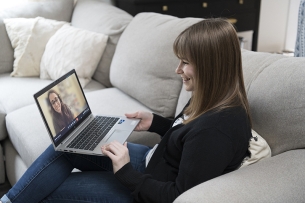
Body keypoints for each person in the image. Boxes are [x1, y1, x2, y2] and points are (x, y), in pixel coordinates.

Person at [0, 18, 252, 203]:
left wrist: (125, 171)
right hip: (150, 161)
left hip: (143, 188)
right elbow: (187, 135)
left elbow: (177, 197)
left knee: (47, 191)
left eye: (185, 63)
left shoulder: (216, 131)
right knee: (66, 143)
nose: (177, 70)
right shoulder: (211, 96)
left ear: (210, 67)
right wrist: (155, 122)